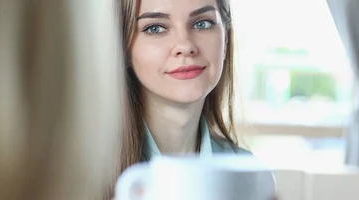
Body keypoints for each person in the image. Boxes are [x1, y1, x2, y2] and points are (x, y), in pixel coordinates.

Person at [107, 0, 256, 198]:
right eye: (155, 28)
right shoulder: (83, 172)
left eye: (202, 23)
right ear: (124, 49)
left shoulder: (247, 174)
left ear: (225, 38)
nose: (185, 46)